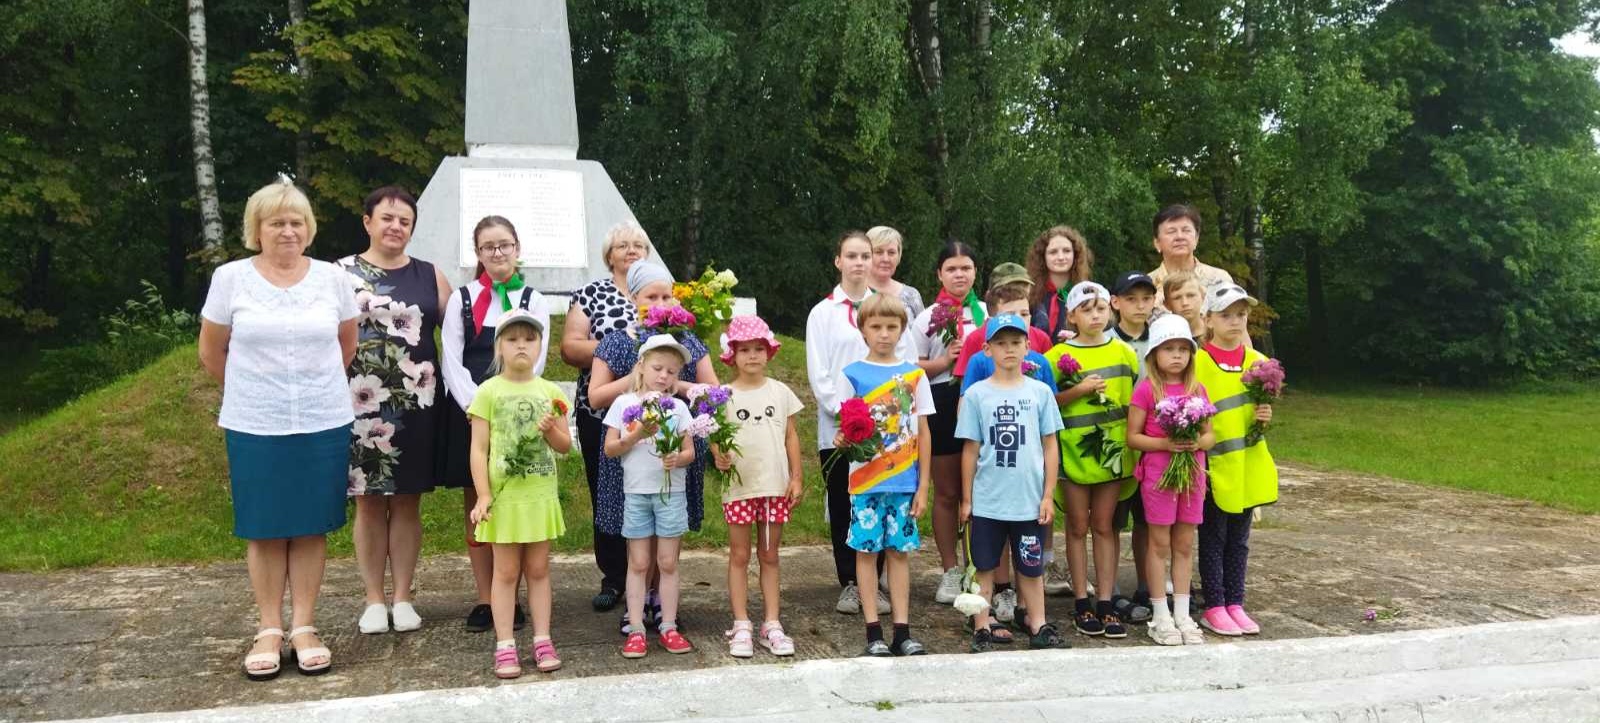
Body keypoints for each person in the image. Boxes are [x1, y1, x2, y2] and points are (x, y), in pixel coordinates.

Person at [198, 179, 357, 680]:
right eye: (276, 223)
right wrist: (254, 388)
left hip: (321, 418)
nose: (287, 231)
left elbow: (345, 346)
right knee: (264, 525)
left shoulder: (332, 279)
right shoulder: (230, 279)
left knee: (310, 524)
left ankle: (305, 626)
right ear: (257, 229)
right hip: (255, 422)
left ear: (308, 229)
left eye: (296, 222)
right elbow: (211, 351)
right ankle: (269, 628)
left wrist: (309, 388)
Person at [337, 185, 450, 636]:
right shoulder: (339, 273)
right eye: (387, 218)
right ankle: (372, 600)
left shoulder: (430, 275)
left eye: (404, 220)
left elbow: (461, 334)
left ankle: (402, 597)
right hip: (359, 403)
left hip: (416, 401)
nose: (395, 226)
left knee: (407, 503)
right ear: (367, 222)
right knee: (367, 505)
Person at [588, 261, 718, 636]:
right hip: (631, 450)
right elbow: (596, 396)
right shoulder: (617, 340)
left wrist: (677, 387)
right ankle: (635, 598)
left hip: (674, 446)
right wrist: (638, 379)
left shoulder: (689, 342)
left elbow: (712, 392)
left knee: (668, 529)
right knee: (637, 530)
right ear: (634, 298)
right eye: (651, 296)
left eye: (667, 295)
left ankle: (663, 600)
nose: (660, 303)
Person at [439, 216, 551, 633]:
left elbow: (534, 358)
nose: (497, 253)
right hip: (473, 411)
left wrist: (509, 401)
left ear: (517, 248)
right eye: (489, 247)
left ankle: (516, 595)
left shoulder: (533, 299)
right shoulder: (462, 299)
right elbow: (451, 354)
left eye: (504, 245)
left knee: (518, 495)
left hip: (519, 411)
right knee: (480, 501)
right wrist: (476, 404)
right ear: (479, 253)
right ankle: (487, 596)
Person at [806, 230, 916, 616]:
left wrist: (883, 417)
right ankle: (850, 582)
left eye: (864, 256)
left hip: (888, 432)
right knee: (844, 502)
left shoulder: (887, 308)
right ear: (838, 261)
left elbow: (907, 364)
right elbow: (819, 373)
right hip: (839, 430)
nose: (858, 263)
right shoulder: (823, 313)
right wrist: (848, 414)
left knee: (884, 499)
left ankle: (880, 578)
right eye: (850, 255)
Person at [465, 310, 572, 677]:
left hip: (539, 495)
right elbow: (479, 449)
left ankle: (543, 639)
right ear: (499, 347)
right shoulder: (488, 392)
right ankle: (505, 644)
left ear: (540, 345)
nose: (521, 345)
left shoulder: (551, 392)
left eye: (529, 338)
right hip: (505, 499)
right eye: (512, 339)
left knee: (539, 569)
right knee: (506, 571)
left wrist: (549, 431)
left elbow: (564, 446)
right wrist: (483, 495)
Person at [956, 314, 1068, 653]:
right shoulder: (977, 394)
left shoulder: (1040, 393)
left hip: (1028, 501)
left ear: (1028, 347)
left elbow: (1050, 444)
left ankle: (1037, 622)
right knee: (985, 566)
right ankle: (981, 624)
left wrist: (1048, 494)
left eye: (1016, 343)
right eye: (1001, 343)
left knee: (1030, 565)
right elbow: (970, 449)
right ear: (986, 349)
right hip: (989, 499)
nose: (1009, 349)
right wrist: (966, 498)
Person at [562, 220, 656, 612]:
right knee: (608, 489)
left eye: (638, 244)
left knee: (648, 487)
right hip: (600, 410)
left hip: (654, 411)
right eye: (623, 245)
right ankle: (614, 576)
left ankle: (651, 577)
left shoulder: (660, 293)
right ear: (609, 255)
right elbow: (570, 347)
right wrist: (618, 346)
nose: (631, 250)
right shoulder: (590, 294)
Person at [836, 293, 935, 657]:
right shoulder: (852, 375)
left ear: (902, 330)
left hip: (905, 483)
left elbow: (923, 431)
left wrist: (923, 485)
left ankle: (902, 631)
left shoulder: (914, 375)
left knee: (898, 554)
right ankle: (872, 631)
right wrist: (842, 438)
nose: (884, 334)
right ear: (863, 330)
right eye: (876, 326)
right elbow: (845, 429)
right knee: (866, 552)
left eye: (891, 327)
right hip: (866, 484)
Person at [1043, 282, 1138, 640]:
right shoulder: (1056, 357)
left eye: (1100, 308)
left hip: (1112, 453)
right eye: (1086, 309)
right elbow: (1048, 401)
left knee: (1105, 525)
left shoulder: (1124, 353)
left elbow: (1136, 399)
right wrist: (1078, 391)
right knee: (1077, 526)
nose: (1095, 315)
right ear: (1072, 315)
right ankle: (1081, 599)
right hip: (1073, 452)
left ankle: (1106, 600)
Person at [713, 315, 805, 658]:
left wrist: (796, 476)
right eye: (745, 350)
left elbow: (791, 435)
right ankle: (741, 624)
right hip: (740, 488)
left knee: (769, 554)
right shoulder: (723, 396)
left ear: (769, 352)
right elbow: (714, 436)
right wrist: (718, 456)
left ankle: (771, 623)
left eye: (759, 349)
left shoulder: (780, 392)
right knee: (739, 555)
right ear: (733, 355)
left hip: (773, 487)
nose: (752, 355)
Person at [604, 335, 700, 658]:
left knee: (668, 562)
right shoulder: (624, 404)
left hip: (671, 493)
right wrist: (637, 434)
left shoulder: (679, 408)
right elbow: (610, 448)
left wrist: (677, 459)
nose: (664, 376)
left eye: (672, 372)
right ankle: (636, 629)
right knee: (639, 561)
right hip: (636, 493)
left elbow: (689, 452)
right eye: (658, 368)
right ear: (642, 366)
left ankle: (669, 627)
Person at [1127, 314, 1217, 646]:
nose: (1177, 355)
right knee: (1159, 542)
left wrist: (1197, 443)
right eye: (1169, 349)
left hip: (1191, 474)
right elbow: (1133, 437)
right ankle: (1160, 613)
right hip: (1159, 475)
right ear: (1154, 354)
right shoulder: (1147, 389)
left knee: (1184, 543)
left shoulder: (1198, 388)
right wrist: (1166, 444)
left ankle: (1182, 611)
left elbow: (1210, 435)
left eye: (1183, 349)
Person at [1194, 284, 1278, 637]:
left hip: (1247, 464)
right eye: (1225, 315)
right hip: (1212, 465)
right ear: (1208, 319)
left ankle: (1235, 601)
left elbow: (1259, 410)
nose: (1234, 321)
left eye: (1241, 315)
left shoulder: (1258, 363)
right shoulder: (1198, 362)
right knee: (1214, 536)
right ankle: (1214, 603)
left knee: (1240, 539)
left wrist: (1265, 414)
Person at [910, 241, 984, 605]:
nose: (959, 275)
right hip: (941, 400)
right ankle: (950, 569)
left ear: (975, 272)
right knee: (948, 492)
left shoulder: (986, 312)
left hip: (983, 402)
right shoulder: (927, 317)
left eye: (966, 268)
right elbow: (913, 366)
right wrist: (946, 361)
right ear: (939, 274)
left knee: (980, 493)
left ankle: (980, 567)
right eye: (952, 269)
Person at [1107, 270, 1159, 625]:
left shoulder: (1163, 341)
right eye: (1131, 299)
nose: (1139, 306)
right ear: (1116, 302)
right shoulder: (1106, 340)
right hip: (1114, 444)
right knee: (1110, 520)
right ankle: (1107, 592)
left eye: (1146, 299)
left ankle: (1146, 586)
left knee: (1148, 520)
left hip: (1153, 445)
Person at [951, 263, 1054, 380]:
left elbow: (1049, 379)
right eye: (1007, 289)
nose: (1015, 293)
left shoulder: (1041, 338)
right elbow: (966, 386)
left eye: (1022, 288)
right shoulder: (975, 339)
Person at [1147, 204, 1234, 307]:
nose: (1179, 236)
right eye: (1171, 231)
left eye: (1186, 230)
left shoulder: (1218, 279)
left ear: (1196, 239)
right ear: (1157, 243)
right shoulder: (1147, 285)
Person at [1026, 226, 1095, 343]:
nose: (1061, 257)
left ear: (1076, 255)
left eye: (1067, 251)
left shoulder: (1087, 294)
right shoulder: (1029, 294)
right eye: (1053, 252)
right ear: (1043, 257)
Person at [867, 225, 925, 319]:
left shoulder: (911, 295)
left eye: (891, 253)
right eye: (879, 252)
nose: (886, 259)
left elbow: (923, 332)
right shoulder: (854, 294)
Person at [1162, 272, 1207, 341]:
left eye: (1191, 295)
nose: (1185, 303)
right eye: (1177, 298)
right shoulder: (1162, 337)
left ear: (1203, 297)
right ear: (1167, 304)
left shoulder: (1217, 332)